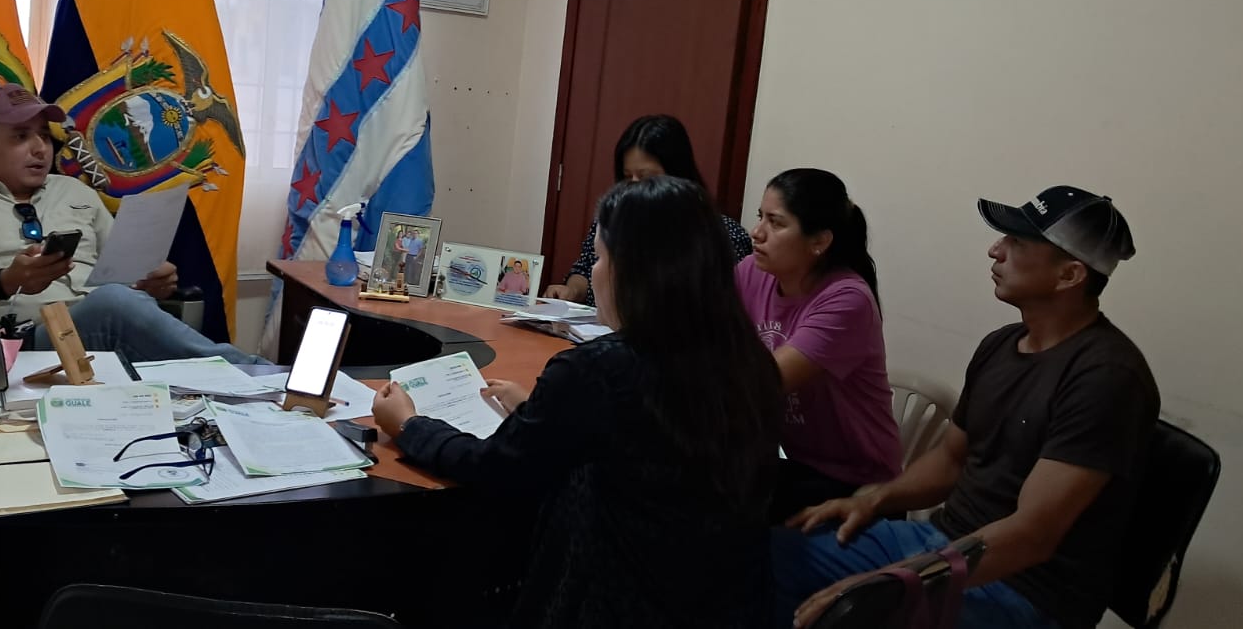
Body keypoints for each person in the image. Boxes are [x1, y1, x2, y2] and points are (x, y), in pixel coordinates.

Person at [373, 176, 784, 628]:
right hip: (730, 606)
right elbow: (650, 444)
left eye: (602, 258)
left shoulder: (600, 369)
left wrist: (410, 425)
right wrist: (537, 411)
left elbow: (496, 467)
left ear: (636, 270)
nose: (594, 273)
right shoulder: (751, 363)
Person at [774, 186, 1158, 629]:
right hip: (941, 543)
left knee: (853, 613)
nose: (995, 250)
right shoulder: (1001, 345)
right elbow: (951, 459)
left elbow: (1032, 535)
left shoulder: (1107, 378)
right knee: (767, 556)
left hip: (1025, 589)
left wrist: (893, 582)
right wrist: (873, 499)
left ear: (1069, 275)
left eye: (1017, 243)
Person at [0, 83, 264, 365]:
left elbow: (118, 277)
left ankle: (242, 391)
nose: (40, 148)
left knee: (119, 301)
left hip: (102, 329)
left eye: (44, 136)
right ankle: (256, 376)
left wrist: (148, 282)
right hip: (17, 345)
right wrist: (3, 281)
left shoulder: (74, 192)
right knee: (113, 305)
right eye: (21, 137)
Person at [737, 168, 902, 520]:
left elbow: (762, 384)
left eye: (776, 223)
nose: (757, 232)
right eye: (760, 217)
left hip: (857, 486)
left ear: (819, 242)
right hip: (797, 464)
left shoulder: (846, 298)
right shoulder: (752, 272)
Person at [543, 114, 751, 306]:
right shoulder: (612, 218)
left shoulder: (721, 233)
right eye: (627, 177)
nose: (634, 187)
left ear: (677, 175)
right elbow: (585, 268)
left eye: (646, 177)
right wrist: (572, 290)